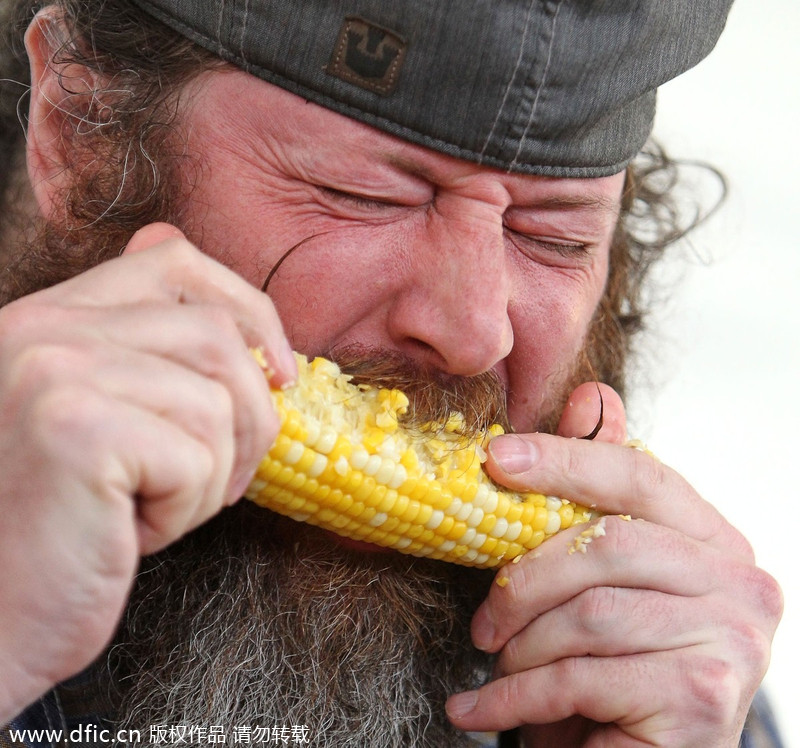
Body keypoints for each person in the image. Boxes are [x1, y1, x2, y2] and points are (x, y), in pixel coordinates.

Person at [0, 0, 784, 746]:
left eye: (556, 236)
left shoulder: (666, 675)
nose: (474, 332)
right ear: (80, 136)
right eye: (363, 194)